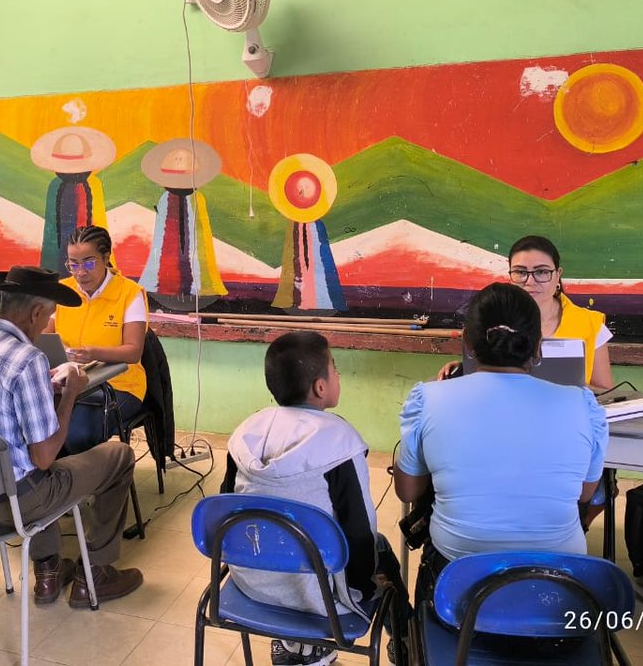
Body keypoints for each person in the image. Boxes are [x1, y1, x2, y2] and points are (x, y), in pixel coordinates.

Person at [0, 265, 143, 608]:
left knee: (28, 464)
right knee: (118, 455)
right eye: (48, 316)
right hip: (14, 505)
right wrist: (70, 394)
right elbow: (44, 457)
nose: (46, 323)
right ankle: (95, 573)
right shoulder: (27, 360)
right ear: (36, 313)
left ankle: (48, 572)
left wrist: (42, 393)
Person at [395, 283, 608, 604]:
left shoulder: (427, 399)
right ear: (538, 347)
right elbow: (585, 493)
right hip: (557, 587)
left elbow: (408, 492)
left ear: (467, 343)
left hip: (456, 585)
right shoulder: (583, 404)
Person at [221, 331, 410, 666]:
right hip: (319, 597)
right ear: (321, 387)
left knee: (286, 538)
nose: (338, 375)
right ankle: (406, 641)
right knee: (379, 548)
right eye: (335, 368)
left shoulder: (245, 433)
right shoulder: (340, 444)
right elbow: (360, 533)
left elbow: (227, 511)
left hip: (251, 579)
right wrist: (361, 588)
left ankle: (296, 646)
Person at [437, 234, 614, 392]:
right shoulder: (493, 317)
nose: (530, 281)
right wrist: (464, 370)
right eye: (520, 272)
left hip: (566, 413)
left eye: (542, 272)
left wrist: (574, 386)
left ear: (557, 275)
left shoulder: (591, 324)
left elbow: (606, 391)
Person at [51, 225, 148, 453]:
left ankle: (85, 474)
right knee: (38, 427)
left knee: (76, 435)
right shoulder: (63, 291)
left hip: (119, 384)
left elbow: (133, 351)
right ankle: (56, 475)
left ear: (106, 258)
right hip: (68, 382)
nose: (80, 272)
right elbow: (43, 337)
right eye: (73, 264)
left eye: (88, 263)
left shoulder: (129, 293)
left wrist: (93, 353)